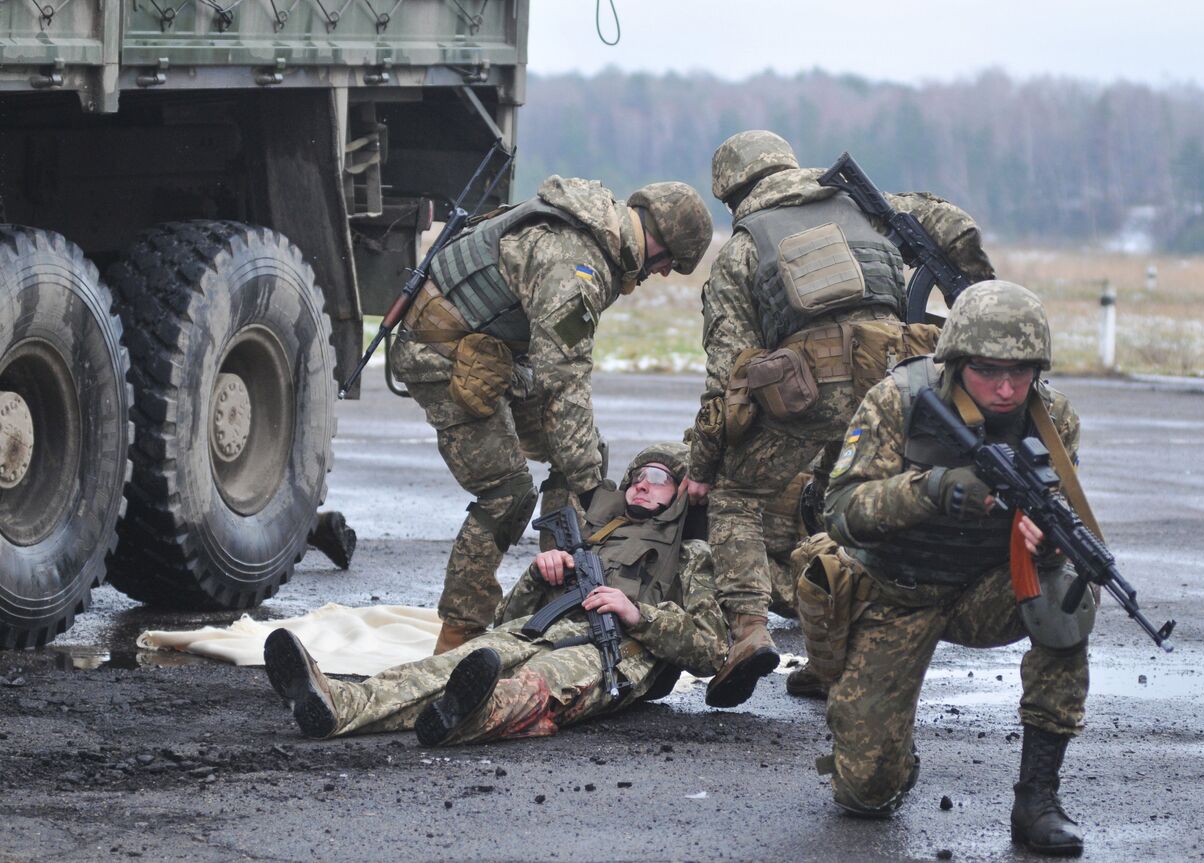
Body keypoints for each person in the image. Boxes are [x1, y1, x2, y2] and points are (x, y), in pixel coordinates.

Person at [684, 130, 994, 707]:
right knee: (848, 505)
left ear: (732, 192)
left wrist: (702, 463)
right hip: (896, 382)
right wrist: (979, 290)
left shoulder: (742, 248)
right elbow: (953, 224)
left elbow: (727, 377)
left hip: (807, 394)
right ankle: (837, 656)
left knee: (737, 496)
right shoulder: (867, 208)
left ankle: (749, 633)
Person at [812, 280, 1094, 856]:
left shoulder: (1053, 418)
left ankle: (1037, 798)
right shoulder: (899, 400)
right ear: (958, 359)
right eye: (991, 371)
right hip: (895, 590)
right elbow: (840, 512)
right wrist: (933, 491)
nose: (1008, 388)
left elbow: (1058, 510)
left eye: (1022, 373)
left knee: (1067, 601)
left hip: (987, 588)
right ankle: (891, 754)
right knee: (866, 794)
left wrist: (1050, 545)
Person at [389, 176, 713, 654]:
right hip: (440, 356)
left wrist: (581, 469)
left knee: (580, 450)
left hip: (490, 353)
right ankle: (460, 630)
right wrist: (587, 487)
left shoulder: (593, 231)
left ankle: (564, 578)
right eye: (670, 265)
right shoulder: (577, 265)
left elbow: (559, 386)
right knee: (507, 493)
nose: (662, 275)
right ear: (659, 244)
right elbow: (564, 378)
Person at [263, 443, 728, 747]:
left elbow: (712, 651)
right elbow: (513, 616)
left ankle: (464, 717)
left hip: (614, 655)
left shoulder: (690, 555)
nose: (644, 484)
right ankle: (336, 706)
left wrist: (637, 613)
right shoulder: (597, 536)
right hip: (540, 629)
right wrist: (539, 576)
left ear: (682, 495)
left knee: (536, 686)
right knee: (445, 667)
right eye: (638, 476)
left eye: (660, 478)